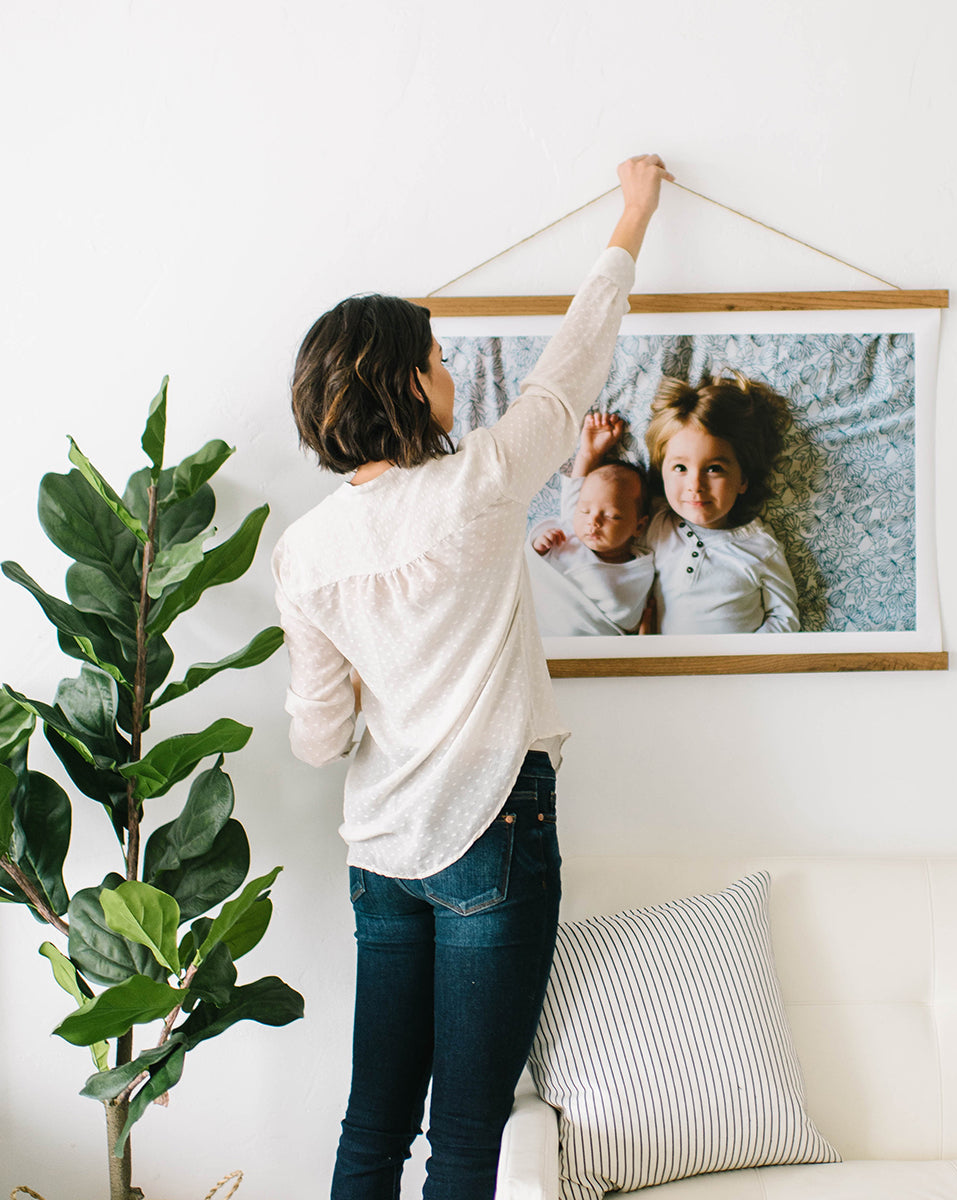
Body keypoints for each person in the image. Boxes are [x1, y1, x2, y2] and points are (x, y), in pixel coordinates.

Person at [272, 154, 672, 1200]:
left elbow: (316, 739)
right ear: (409, 382)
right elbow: (572, 368)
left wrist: (374, 674)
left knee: (372, 1128)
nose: (449, 370)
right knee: (465, 1138)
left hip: (381, 853)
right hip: (491, 826)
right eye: (438, 357)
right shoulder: (482, 486)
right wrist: (633, 213)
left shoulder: (306, 554)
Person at [642, 371, 801, 634]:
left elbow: (784, 617)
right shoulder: (655, 524)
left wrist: (743, 666)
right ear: (661, 472)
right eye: (680, 467)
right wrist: (589, 458)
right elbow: (591, 525)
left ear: (743, 480)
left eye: (714, 468)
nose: (695, 485)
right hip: (663, 671)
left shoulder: (760, 546)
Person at [529, 412, 653, 635]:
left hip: (590, 646)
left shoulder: (639, 569)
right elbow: (534, 574)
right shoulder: (568, 533)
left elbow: (628, 617)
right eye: (585, 510)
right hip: (542, 628)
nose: (593, 521)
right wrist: (539, 548)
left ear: (639, 526)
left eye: (612, 516)